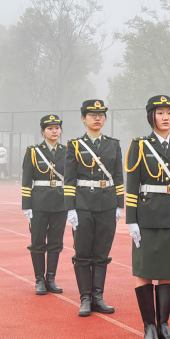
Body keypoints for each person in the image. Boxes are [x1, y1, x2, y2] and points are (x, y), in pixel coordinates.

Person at [125, 95, 170, 339]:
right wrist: (131, 220)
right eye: (160, 113)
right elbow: (132, 184)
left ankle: (164, 324)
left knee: (168, 273)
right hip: (147, 216)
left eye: (169, 113)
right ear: (151, 116)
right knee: (144, 272)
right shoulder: (140, 145)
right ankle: (149, 327)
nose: (166, 118)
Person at [65, 100, 124, 317]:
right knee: (82, 253)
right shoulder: (74, 145)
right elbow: (69, 179)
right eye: (92, 114)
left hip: (107, 204)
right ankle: (85, 298)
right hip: (83, 205)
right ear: (83, 118)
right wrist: (70, 208)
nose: (97, 118)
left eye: (101, 114)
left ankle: (98, 297)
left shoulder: (113, 144)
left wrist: (119, 204)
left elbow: (118, 176)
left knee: (101, 252)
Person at [21, 115, 66, 295]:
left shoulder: (67, 151)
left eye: (57, 128)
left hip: (61, 203)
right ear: (42, 131)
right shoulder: (33, 151)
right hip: (39, 203)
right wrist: (27, 206)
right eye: (50, 128)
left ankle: (51, 279)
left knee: (56, 243)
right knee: (38, 243)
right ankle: (39, 280)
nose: (54, 131)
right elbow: (26, 181)